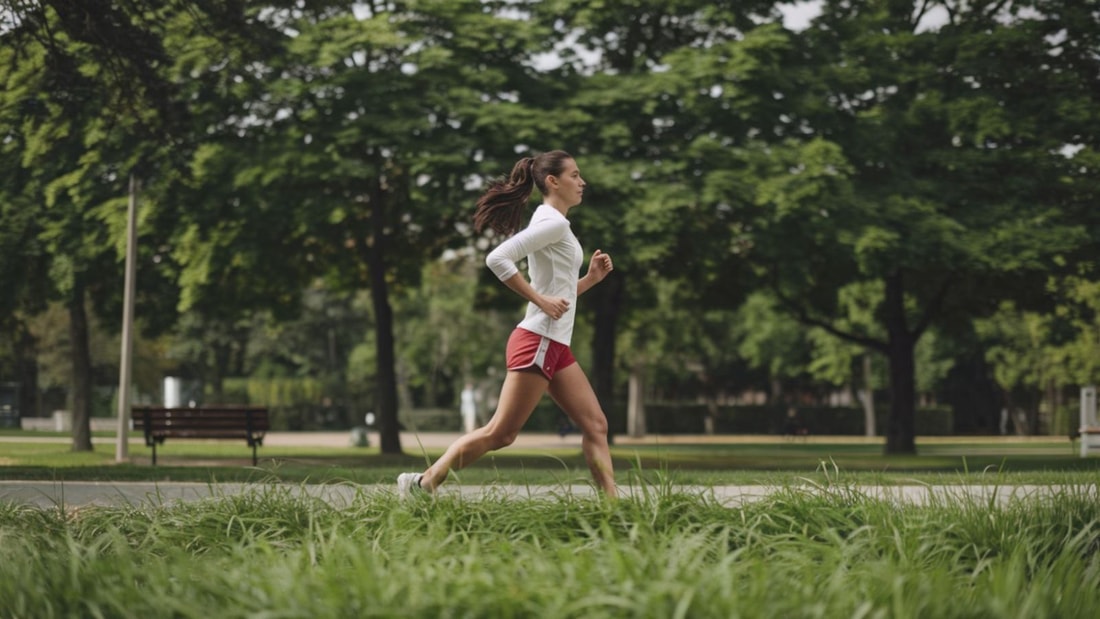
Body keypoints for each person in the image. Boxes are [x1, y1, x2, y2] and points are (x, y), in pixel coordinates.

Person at [398, 150, 617, 498]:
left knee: (596, 424)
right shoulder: (553, 223)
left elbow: (558, 292)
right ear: (553, 181)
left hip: (555, 344)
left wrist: (589, 280)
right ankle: (422, 484)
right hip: (539, 340)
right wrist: (539, 300)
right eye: (575, 175)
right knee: (501, 433)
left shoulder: (551, 221)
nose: (582, 181)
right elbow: (497, 258)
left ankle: (613, 509)